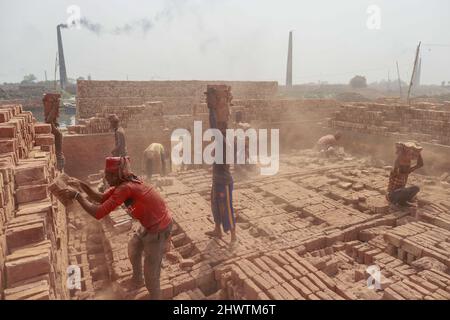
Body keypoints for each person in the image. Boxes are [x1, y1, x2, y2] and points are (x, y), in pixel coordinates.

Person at [58, 157, 172, 300]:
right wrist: (81, 184)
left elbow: (98, 212)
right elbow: (100, 198)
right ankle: (138, 279)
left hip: (159, 228)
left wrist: (77, 196)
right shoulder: (122, 184)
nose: (105, 177)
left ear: (117, 174)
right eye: (106, 173)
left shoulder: (126, 188)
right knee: (134, 247)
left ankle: (156, 296)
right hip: (149, 223)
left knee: (152, 276)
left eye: (109, 174)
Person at [386, 142, 424, 207]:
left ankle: (402, 202)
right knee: (403, 191)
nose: (406, 167)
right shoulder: (395, 171)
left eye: (407, 166)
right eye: (404, 166)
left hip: (400, 193)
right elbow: (397, 161)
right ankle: (394, 204)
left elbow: (420, 164)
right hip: (391, 195)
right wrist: (401, 151)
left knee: (416, 188)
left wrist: (418, 152)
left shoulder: (407, 171)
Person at [43, 93, 65, 171]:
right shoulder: (51, 127)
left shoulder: (53, 128)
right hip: (58, 160)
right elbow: (49, 119)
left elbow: (49, 119)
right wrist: (55, 105)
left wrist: (55, 105)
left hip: (59, 160)